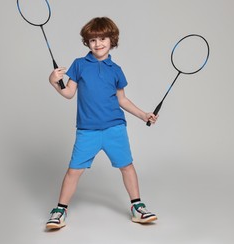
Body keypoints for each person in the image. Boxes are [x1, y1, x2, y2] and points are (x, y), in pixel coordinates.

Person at [46, 17, 158, 230]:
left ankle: (137, 206)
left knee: (127, 167)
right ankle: (60, 210)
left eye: (102, 38)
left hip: (114, 128)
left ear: (112, 40)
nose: (98, 43)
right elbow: (69, 93)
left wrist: (143, 115)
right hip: (87, 131)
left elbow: (122, 99)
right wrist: (54, 82)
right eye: (93, 40)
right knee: (73, 171)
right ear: (87, 42)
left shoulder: (115, 69)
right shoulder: (79, 64)